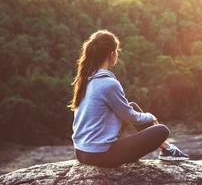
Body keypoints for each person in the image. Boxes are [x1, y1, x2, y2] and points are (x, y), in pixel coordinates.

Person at [69, 30, 189, 167]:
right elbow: (131, 117)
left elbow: (128, 111)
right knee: (162, 130)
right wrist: (150, 116)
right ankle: (167, 149)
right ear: (112, 54)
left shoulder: (85, 78)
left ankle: (166, 148)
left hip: (81, 152)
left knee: (131, 105)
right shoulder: (108, 84)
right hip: (99, 155)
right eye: (116, 51)